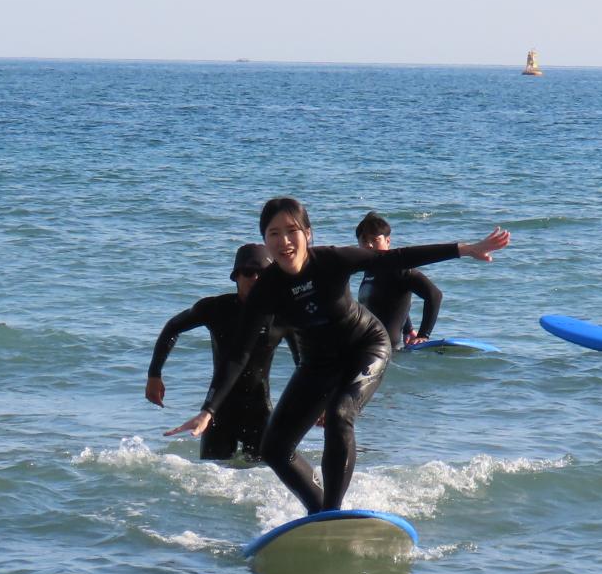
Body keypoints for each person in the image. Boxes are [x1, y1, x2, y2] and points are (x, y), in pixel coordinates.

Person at [167, 197, 510, 514]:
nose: (284, 241)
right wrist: (208, 410)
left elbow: (395, 258)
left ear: (308, 234)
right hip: (318, 361)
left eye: (292, 231)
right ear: (265, 240)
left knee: (340, 413)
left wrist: (465, 249)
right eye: (274, 233)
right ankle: (320, 512)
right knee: (274, 448)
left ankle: (333, 512)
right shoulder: (266, 290)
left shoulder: (330, 260)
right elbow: (239, 354)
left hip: (366, 346)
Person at [146, 243, 299, 461]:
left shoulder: (281, 316)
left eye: (262, 273)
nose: (255, 278)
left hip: (260, 412)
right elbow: (172, 327)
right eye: (248, 272)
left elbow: (304, 360)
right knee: (211, 476)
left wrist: (316, 404)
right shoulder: (216, 308)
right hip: (218, 412)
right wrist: (154, 374)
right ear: (236, 276)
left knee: (262, 476)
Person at [354, 212, 443, 347]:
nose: (369, 245)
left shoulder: (400, 269)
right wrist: (408, 329)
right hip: (369, 345)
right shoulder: (370, 269)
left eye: (375, 240)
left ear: (388, 241)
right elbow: (391, 300)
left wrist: (423, 335)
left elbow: (434, 295)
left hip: (386, 350)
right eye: (365, 241)